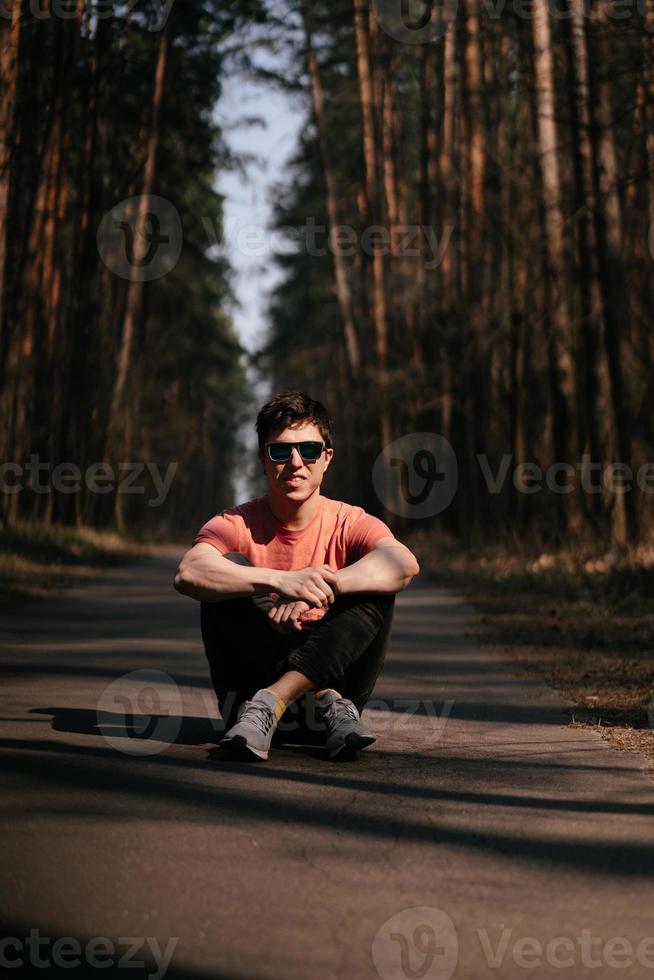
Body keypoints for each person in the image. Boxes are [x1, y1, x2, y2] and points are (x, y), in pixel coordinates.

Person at [174, 390, 420, 762]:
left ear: (326, 458)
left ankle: (279, 697)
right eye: (280, 451)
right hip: (248, 713)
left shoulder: (349, 521)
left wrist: (322, 584)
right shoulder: (235, 522)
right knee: (225, 576)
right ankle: (301, 697)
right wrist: (279, 580)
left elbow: (403, 564)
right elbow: (189, 572)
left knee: (374, 585)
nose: (295, 463)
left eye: (309, 450)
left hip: (333, 717)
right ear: (262, 459)